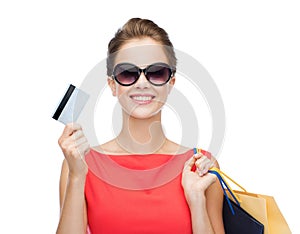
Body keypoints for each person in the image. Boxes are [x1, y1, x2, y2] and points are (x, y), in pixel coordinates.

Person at [56, 18, 224, 234]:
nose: (142, 83)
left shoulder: (201, 165)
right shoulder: (80, 164)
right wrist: (77, 177)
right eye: (128, 73)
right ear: (112, 84)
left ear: (170, 83)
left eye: (156, 72)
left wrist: (197, 203)